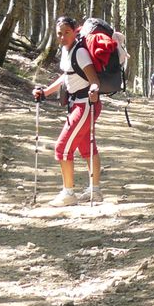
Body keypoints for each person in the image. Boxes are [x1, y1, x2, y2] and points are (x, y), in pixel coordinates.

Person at [32, 16, 103, 206]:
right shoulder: (66, 50)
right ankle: (94, 191)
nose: (63, 37)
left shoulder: (80, 52)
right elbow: (66, 76)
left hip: (85, 105)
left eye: (66, 33)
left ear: (74, 31)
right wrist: (45, 92)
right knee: (86, 147)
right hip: (79, 105)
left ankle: (68, 193)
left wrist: (94, 90)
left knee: (62, 148)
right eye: (59, 34)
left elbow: (94, 79)